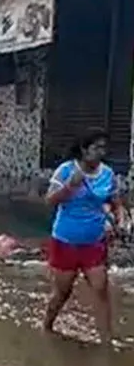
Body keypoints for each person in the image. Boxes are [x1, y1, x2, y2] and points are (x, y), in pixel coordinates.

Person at [43, 129, 123, 343]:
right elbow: (50, 201)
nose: (101, 152)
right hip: (65, 241)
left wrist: (119, 221)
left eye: (103, 148)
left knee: (101, 288)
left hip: (94, 243)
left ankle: (107, 342)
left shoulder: (107, 174)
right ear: (84, 150)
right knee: (62, 293)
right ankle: (47, 327)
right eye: (96, 148)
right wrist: (70, 186)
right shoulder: (66, 170)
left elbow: (116, 203)